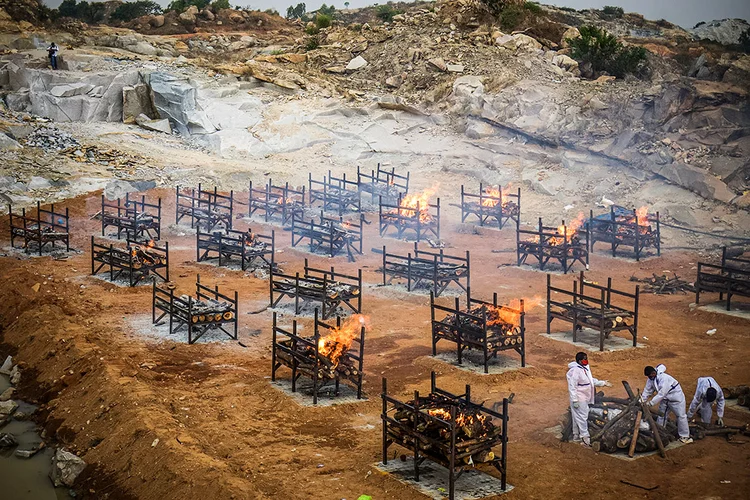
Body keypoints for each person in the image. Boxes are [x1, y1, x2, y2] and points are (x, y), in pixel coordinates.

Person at [566, 351, 611, 446]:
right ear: (579, 360)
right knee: (582, 417)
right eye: (584, 359)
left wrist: (602, 383)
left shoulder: (585, 368)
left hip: (586, 395)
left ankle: (576, 435)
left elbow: (590, 380)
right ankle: (585, 438)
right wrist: (574, 400)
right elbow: (572, 386)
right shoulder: (574, 371)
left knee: (577, 415)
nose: (586, 360)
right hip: (579, 396)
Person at [642, 364, 693, 444]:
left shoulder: (664, 378)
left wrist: (651, 403)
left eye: (650, 375)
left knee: (681, 416)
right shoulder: (651, 379)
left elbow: (662, 393)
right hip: (665, 400)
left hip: (676, 399)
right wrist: (641, 401)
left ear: (653, 373)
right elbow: (647, 391)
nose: (649, 378)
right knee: (661, 416)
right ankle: (660, 433)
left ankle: (685, 436)